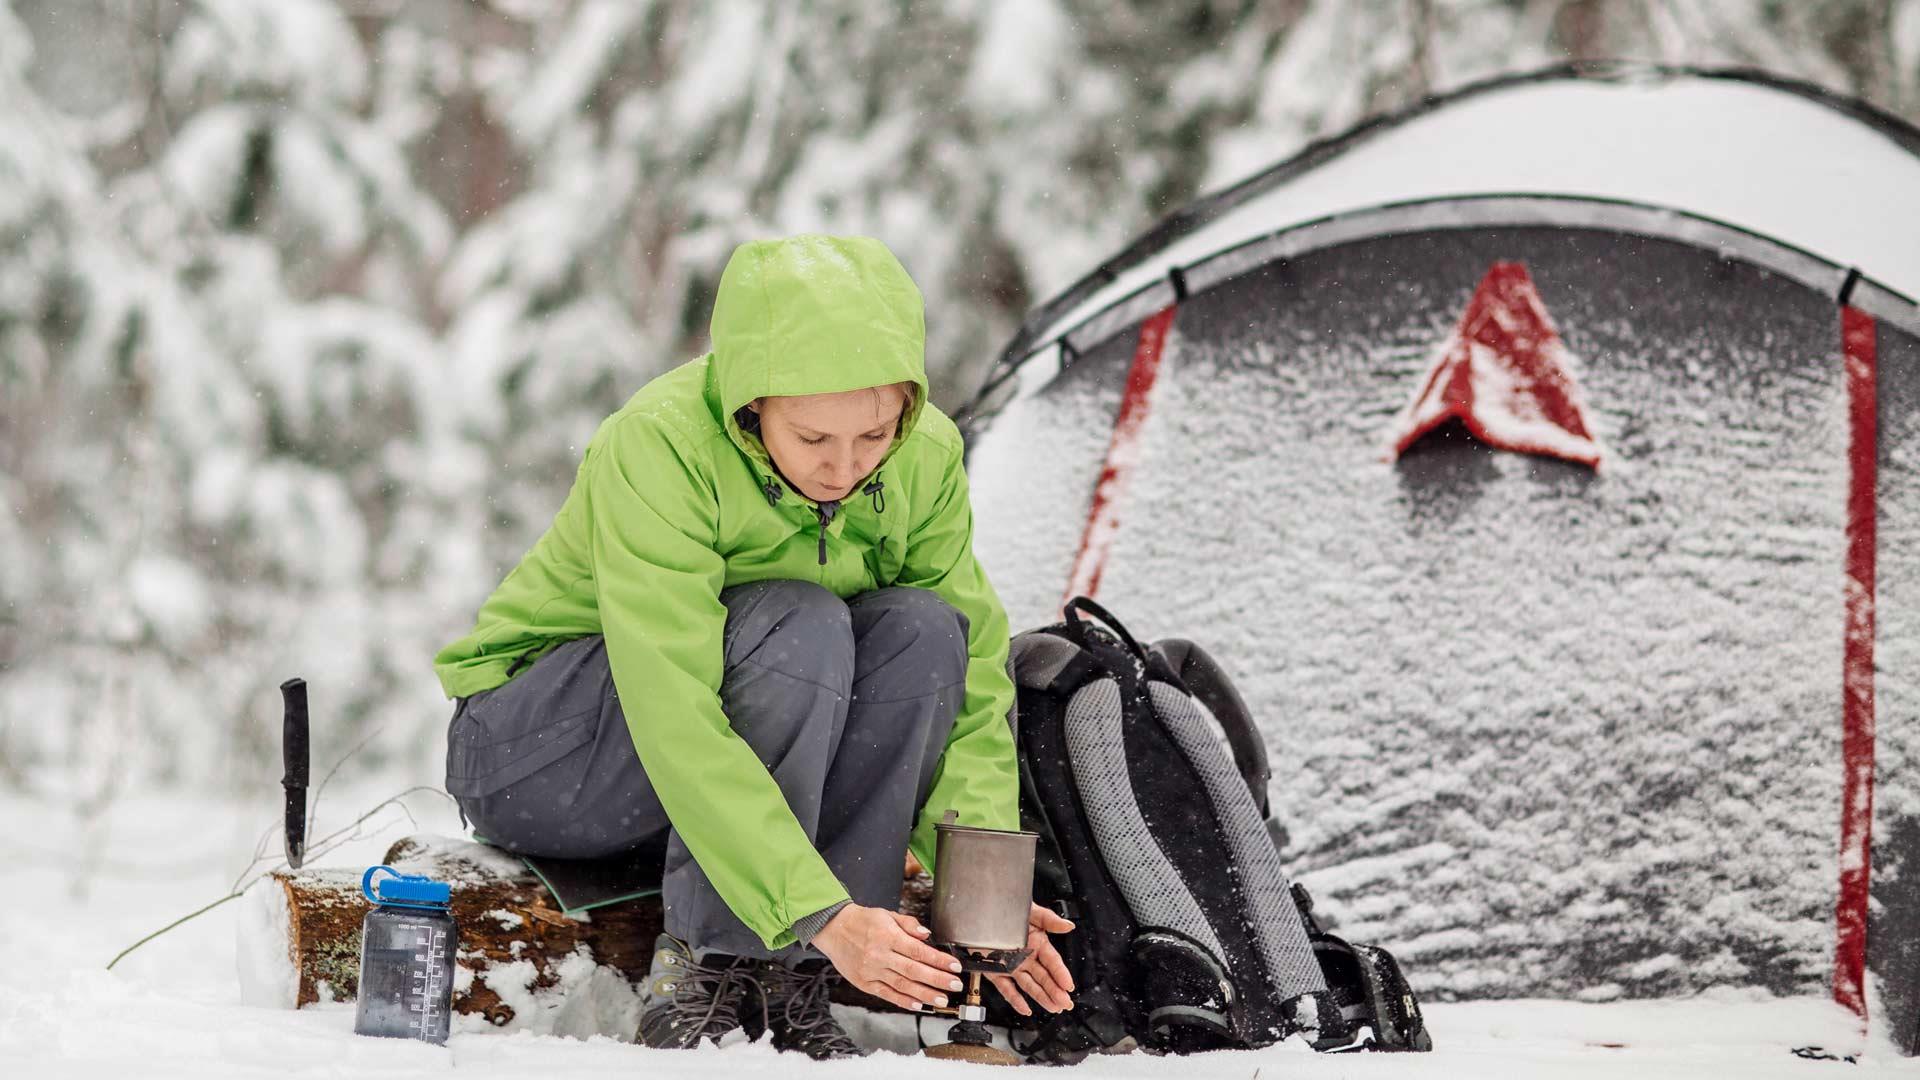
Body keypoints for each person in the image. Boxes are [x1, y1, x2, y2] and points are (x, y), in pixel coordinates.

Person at [432, 234, 1074, 1058]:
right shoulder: (661, 447)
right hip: (540, 752)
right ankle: (712, 953)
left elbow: (976, 675)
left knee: (921, 631)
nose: (844, 467)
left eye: (874, 436)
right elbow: (675, 708)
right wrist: (814, 907)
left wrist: (982, 891)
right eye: (813, 440)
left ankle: (794, 971)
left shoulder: (925, 458)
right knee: (795, 622)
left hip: (708, 768)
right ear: (751, 404)